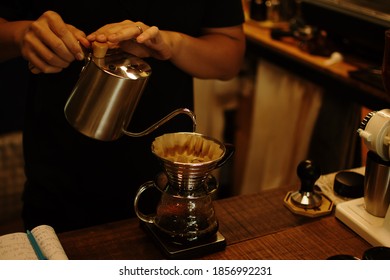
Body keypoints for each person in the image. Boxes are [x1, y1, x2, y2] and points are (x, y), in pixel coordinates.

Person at [0, 1, 246, 233]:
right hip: (58, 177)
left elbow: (229, 57)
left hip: (166, 181)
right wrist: (21, 35)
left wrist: (171, 44)